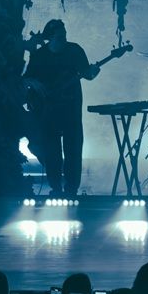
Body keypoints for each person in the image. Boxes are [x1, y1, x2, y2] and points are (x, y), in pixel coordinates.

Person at [23, 19, 100, 197]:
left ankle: (72, 189)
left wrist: (93, 72)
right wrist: (34, 83)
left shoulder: (75, 51)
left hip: (71, 110)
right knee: (52, 151)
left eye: (64, 35)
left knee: (73, 149)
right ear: (50, 38)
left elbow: (87, 74)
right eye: (59, 37)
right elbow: (26, 78)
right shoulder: (40, 56)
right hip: (48, 111)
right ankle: (56, 187)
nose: (64, 39)